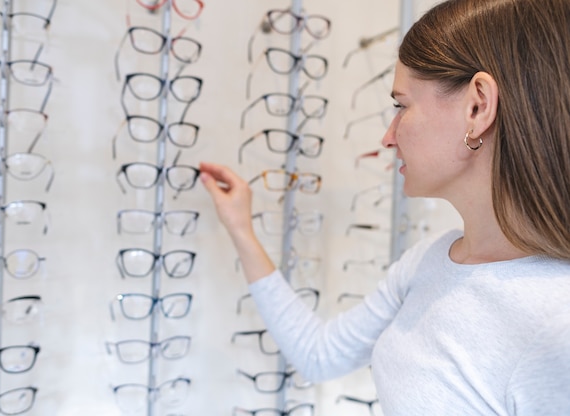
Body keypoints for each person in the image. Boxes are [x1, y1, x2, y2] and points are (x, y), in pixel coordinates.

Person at [199, 0, 570, 414]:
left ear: (477, 106)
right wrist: (241, 230)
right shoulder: (430, 262)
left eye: (401, 106)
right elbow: (320, 355)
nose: (388, 137)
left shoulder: (557, 323)